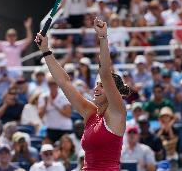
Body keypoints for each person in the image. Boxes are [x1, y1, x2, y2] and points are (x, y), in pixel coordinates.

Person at [35, 18, 130, 170]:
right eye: (97, 85)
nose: (97, 88)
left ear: (115, 92)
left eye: (102, 86)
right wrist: (46, 51)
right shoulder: (91, 114)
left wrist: (103, 38)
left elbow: (105, 73)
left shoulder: (117, 112)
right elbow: (64, 82)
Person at [38, 75, 72, 143]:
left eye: (54, 83)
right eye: (49, 84)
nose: (52, 86)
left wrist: (54, 105)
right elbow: (40, 115)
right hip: (51, 129)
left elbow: (68, 114)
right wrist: (45, 104)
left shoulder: (64, 96)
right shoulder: (43, 97)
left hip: (64, 129)